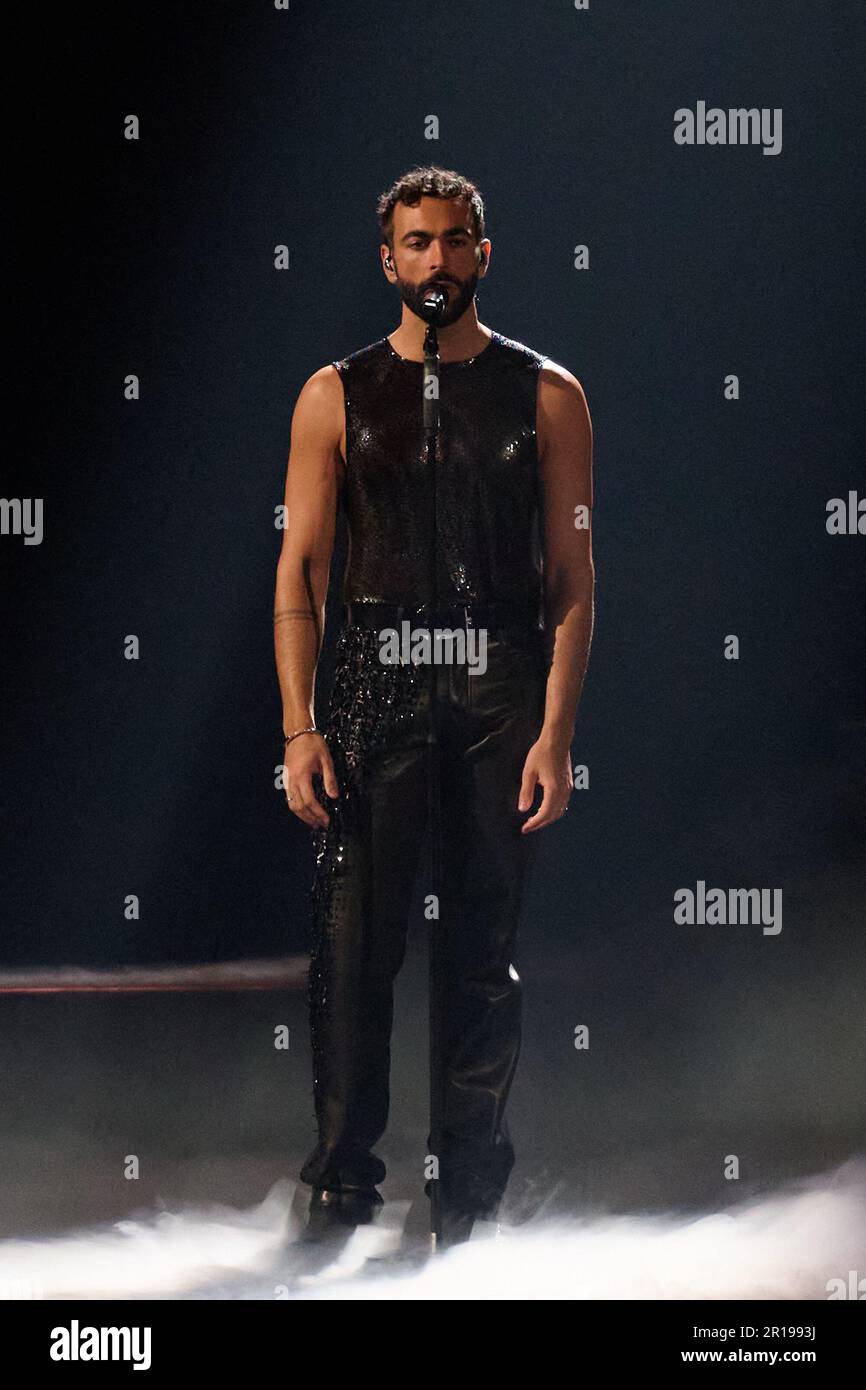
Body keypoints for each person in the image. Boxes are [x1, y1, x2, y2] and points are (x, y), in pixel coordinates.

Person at [273, 165, 594, 1246]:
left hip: (498, 685)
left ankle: (468, 1202)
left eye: (454, 242)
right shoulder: (335, 393)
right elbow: (298, 572)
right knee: (354, 950)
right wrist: (300, 726)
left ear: (481, 254)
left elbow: (572, 579)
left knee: (480, 956)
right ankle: (339, 1186)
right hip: (369, 683)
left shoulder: (545, 393)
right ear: (387, 259)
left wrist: (553, 731)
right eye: (417, 243)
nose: (436, 262)